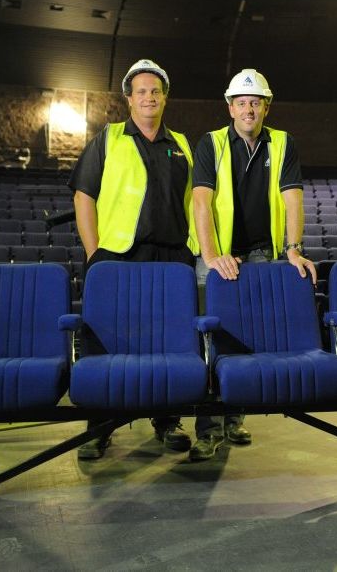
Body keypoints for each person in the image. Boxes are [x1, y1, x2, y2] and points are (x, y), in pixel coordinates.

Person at [69, 58, 199, 460]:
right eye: (141, 91)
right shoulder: (108, 138)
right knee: (109, 341)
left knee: (168, 340)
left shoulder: (181, 144)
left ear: (165, 98)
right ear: (129, 99)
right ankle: (100, 425)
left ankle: (168, 420)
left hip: (172, 258)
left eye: (155, 91)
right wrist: (95, 255)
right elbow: (83, 196)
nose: (149, 97)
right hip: (119, 258)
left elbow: (195, 202)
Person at [189, 68, 315, 461]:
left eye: (255, 103)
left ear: (266, 107)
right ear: (230, 107)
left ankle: (234, 417)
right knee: (209, 339)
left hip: (261, 252)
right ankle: (207, 427)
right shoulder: (210, 143)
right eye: (241, 103)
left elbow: (292, 198)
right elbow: (200, 202)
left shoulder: (283, 143)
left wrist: (292, 248)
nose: (248, 109)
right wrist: (211, 256)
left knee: (245, 339)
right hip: (218, 253)